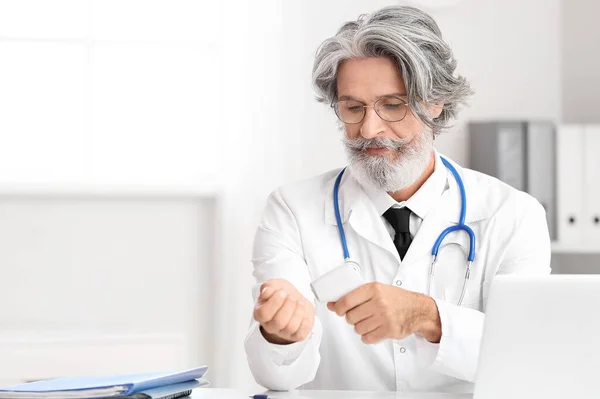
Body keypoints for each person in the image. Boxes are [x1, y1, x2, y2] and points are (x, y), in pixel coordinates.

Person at [244, 5, 551, 393]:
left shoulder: (512, 215)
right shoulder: (292, 209)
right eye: (353, 108)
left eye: (393, 105)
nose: (370, 129)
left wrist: (428, 317)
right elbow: (274, 377)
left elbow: (529, 357)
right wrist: (282, 335)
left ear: (435, 102)